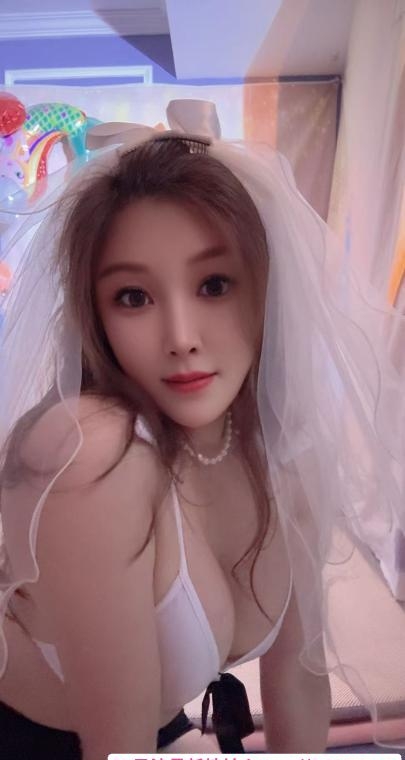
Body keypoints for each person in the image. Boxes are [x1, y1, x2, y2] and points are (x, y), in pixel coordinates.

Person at [0, 101, 403, 759]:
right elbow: (116, 747)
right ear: (96, 316)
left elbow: (299, 678)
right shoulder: (94, 453)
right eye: (133, 297)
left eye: (215, 285)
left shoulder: (283, 450)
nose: (181, 338)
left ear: (266, 289)